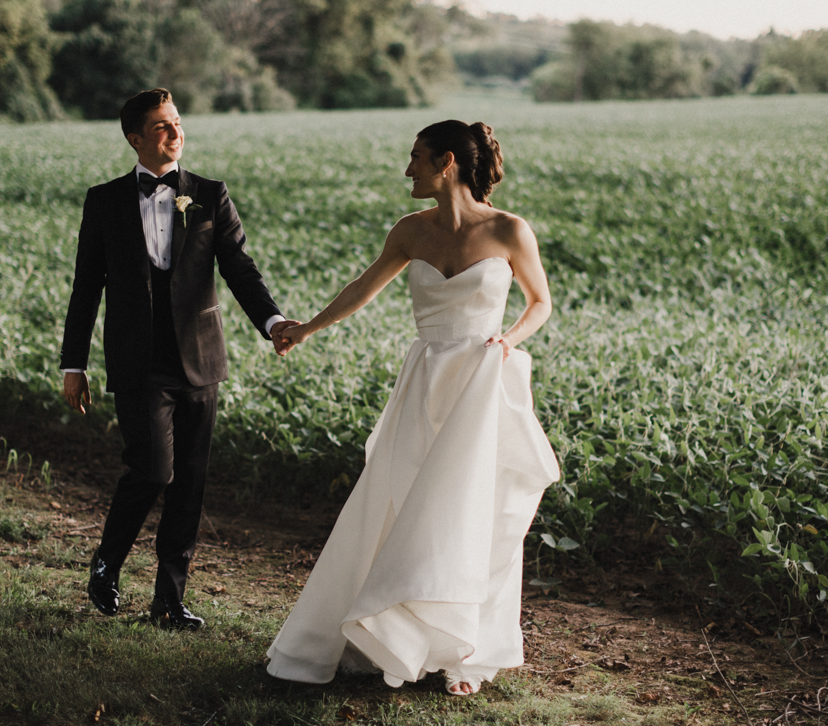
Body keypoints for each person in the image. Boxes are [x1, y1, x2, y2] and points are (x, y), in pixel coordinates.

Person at [265, 120, 560, 695]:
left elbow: (540, 302)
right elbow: (364, 287)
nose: (408, 170)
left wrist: (510, 341)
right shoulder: (409, 231)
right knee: (402, 501)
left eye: (416, 158)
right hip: (424, 383)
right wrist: (307, 329)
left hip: (481, 381)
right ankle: (395, 636)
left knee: (474, 510)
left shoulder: (509, 230)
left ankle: (463, 653)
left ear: (446, 162)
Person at [60, 88, 296, 629]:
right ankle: (106, 563)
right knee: (152, 470)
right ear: (135, 138)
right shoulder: (104, 200)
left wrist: (273, 321)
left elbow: (240, 268)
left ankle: (168, 601)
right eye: (162, 126)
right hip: (137, 361)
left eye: (178, 123)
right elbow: (85, 287)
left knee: (189, 480)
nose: (175, 133)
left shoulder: (210, 195)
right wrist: (74, 365)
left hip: (200, 361)